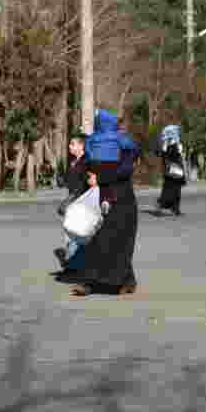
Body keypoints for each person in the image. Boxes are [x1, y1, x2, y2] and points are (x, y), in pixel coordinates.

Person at [57, 109, 140, 297]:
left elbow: (123, 171)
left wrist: (99, 178)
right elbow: (88, 170)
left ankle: (126, 281)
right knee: (99, 242)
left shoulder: (117, 145)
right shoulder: (109, 143)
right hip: (109, 199)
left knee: (118, 242)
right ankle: (91, 283)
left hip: (119, 200)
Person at [55, 132, 89, 269]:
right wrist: (62, 180)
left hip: (81, 201)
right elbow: (70, 181)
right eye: (70, 144)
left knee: (76, 232)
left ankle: (72, 261)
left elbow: (84, 184)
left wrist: (73, 198)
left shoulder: (86, 161)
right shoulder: (73, 162)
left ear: (81, 146)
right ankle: (73, 261)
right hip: (73, 200)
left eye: (72, 144)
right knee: (70, 232)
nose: (70, 146)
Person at [155, 124, 186, 216]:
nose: (178, 133)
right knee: (168, 189)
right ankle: (160, 206)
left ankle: (175, 208)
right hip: (170, 169)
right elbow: (164, 154)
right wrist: (176, 150)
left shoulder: (176, 142)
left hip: (177, 169)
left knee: (177, 189)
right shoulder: (167, 143)